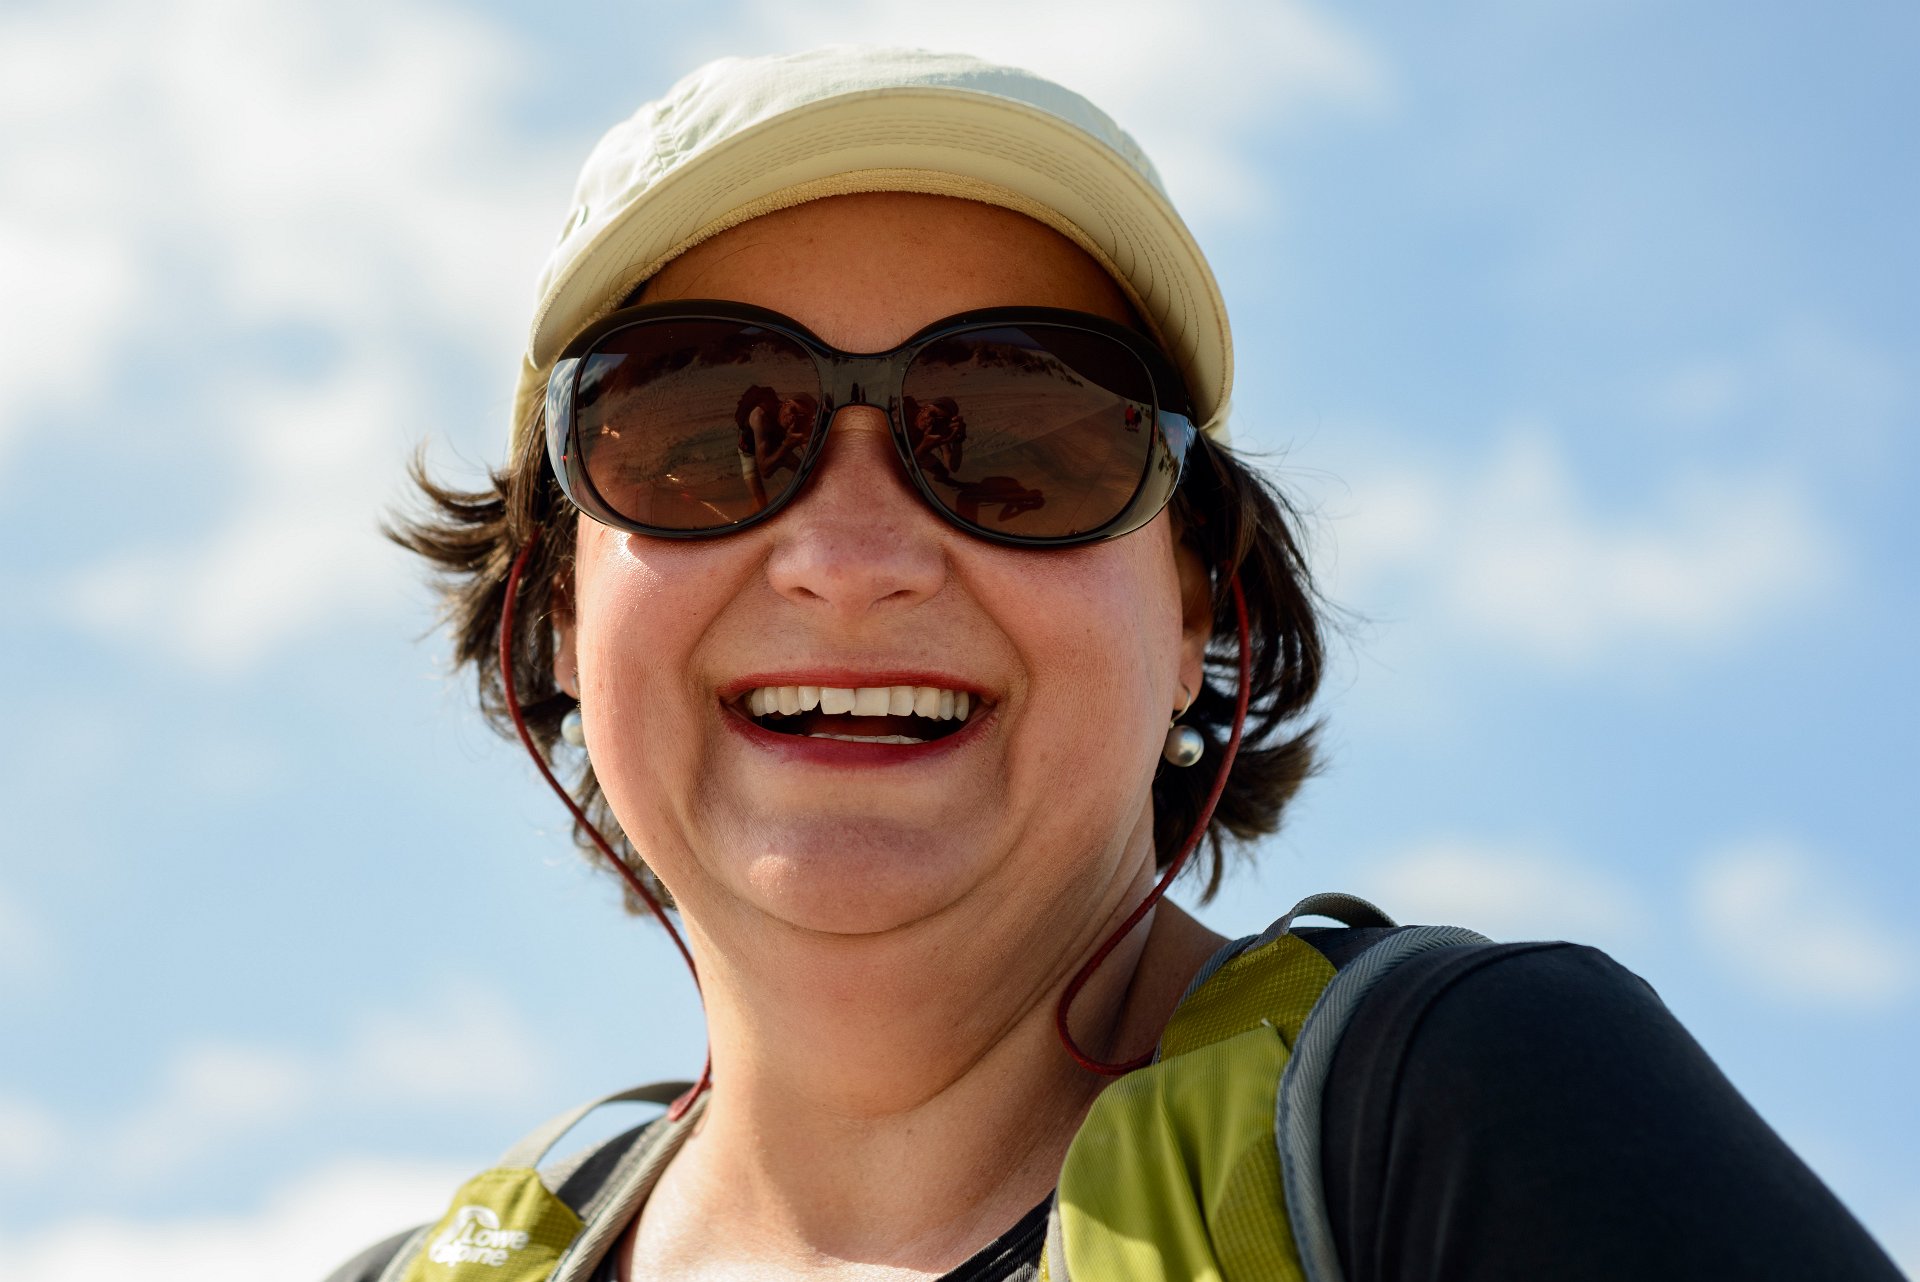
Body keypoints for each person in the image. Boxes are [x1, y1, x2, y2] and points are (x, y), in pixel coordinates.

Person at [334, 47, 1902, 1282]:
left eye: (1020, 439)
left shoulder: (1468, 1113)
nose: (851, 554)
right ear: (553, 606)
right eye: (697, 430)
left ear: (1199, 604)